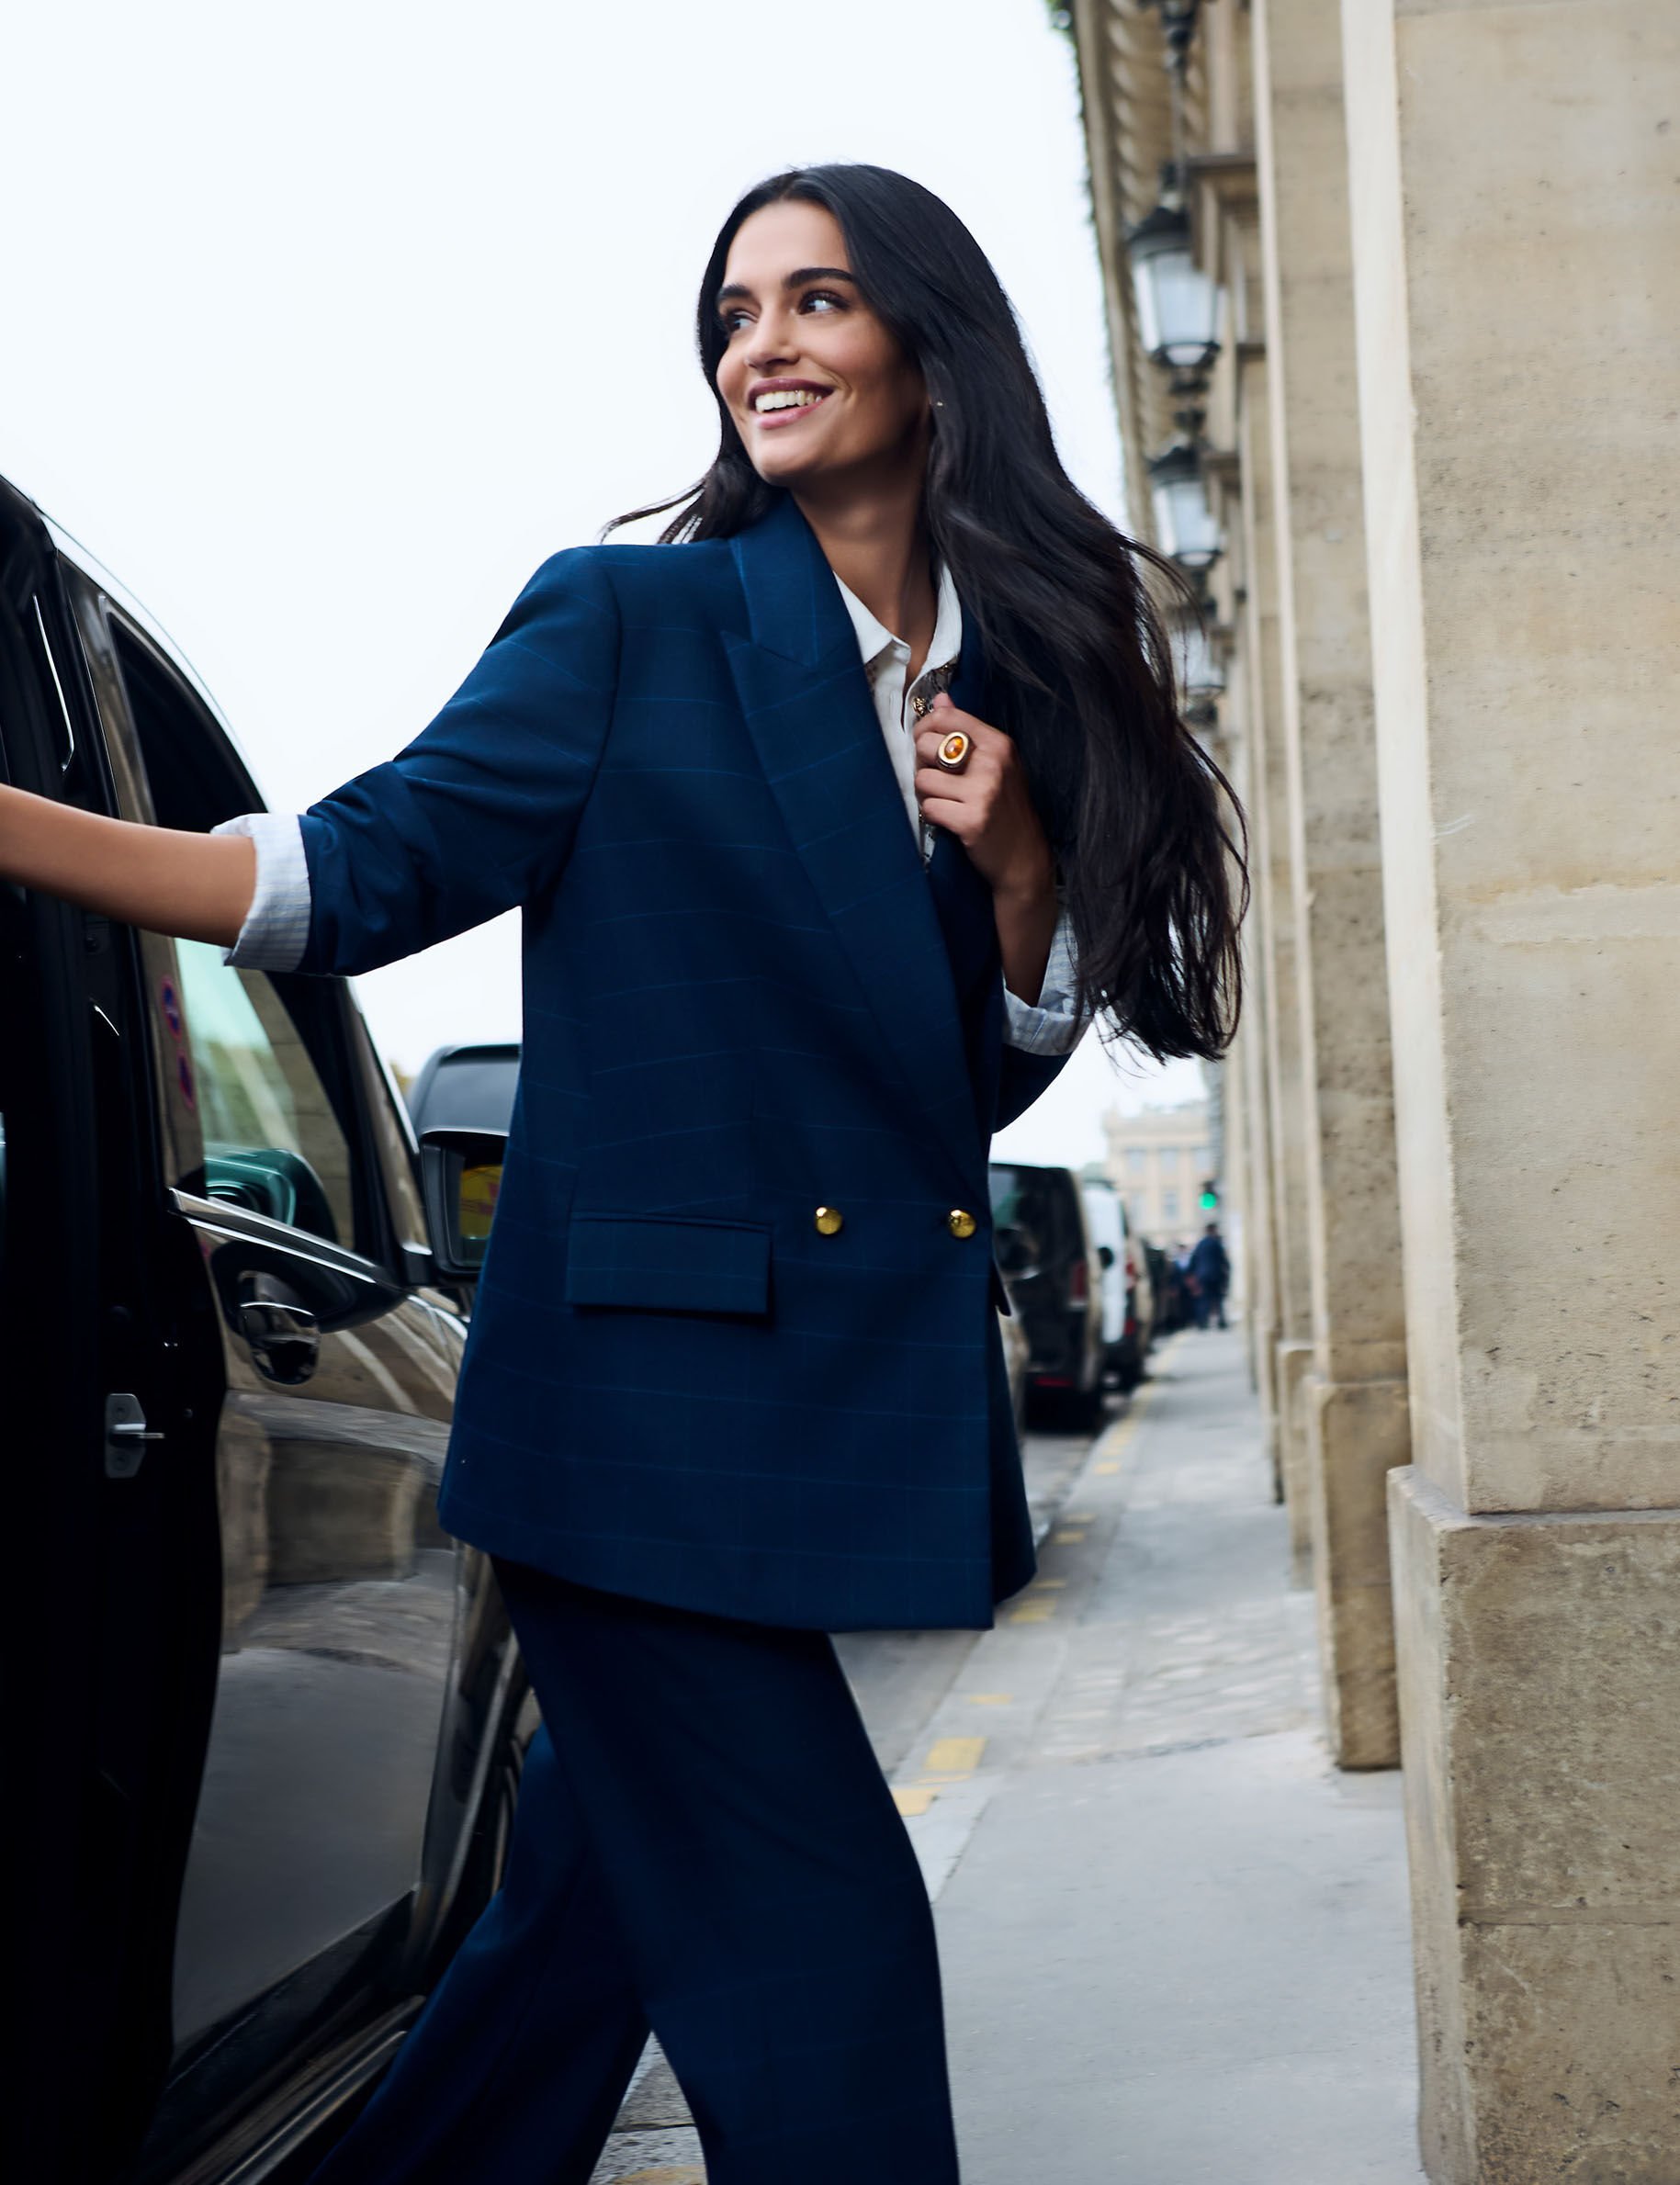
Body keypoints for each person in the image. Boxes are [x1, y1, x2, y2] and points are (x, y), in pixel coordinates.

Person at [0, 164, 1246, 2183]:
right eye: (736, 310)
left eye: (815, 300)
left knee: (570, 1946)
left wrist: (1014, 869)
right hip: (635, 1430)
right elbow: (342, 874)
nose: (761, 343)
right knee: (824, 1961)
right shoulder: (630, 617)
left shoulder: (988, 686)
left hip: (823, 1413)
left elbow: (954, 1097)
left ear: (929, 357)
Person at [1189, 1221, 1231, 1329]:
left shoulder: (1200, 1244)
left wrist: (1192, 1274)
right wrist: (1227, 1270)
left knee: (1204, 1299)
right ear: (1213, 1230)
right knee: (1218, 1298)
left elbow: (1193, 1260)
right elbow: (1223, 1260)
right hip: (1216, 1275)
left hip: (1202, 1276)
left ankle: (1202, 1322)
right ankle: (1221, 1322)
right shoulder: (1216, 1243)